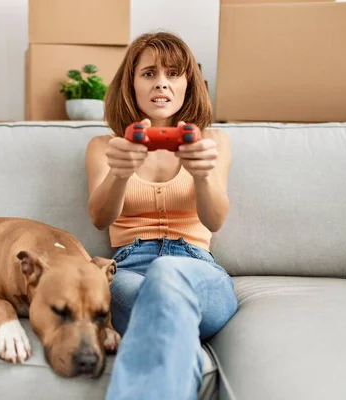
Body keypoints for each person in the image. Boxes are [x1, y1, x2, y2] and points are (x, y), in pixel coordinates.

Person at [84, 31, 238, 400]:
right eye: (149, 73)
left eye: (173, 73)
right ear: (131, 83)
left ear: (189, 82)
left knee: (168, 276)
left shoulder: (212, 141)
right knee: (154, 301)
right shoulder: (104, 146)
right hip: (129, 271)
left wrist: (201, 175)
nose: (162, 84)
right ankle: (184, 350)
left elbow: (215, 221)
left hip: (197, 268)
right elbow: (100, 218)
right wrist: (121, 172)